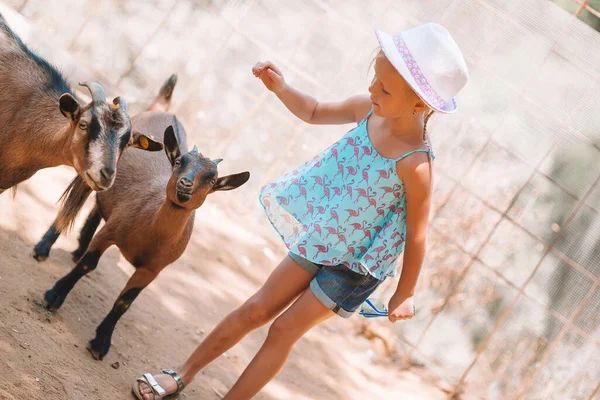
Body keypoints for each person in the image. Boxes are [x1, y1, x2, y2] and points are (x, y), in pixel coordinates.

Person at [133, 23, 469, 400]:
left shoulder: (416, 164)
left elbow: (418, 233)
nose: (373, 89)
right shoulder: (367, 110)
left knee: (282, 330)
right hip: (325, 238)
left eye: (385, 88)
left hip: (356, 267)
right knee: (257, 309)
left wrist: (405, 292)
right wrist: (281, 88)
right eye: (375, 79)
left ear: (419, 103)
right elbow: (312, 110)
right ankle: (182, 373)